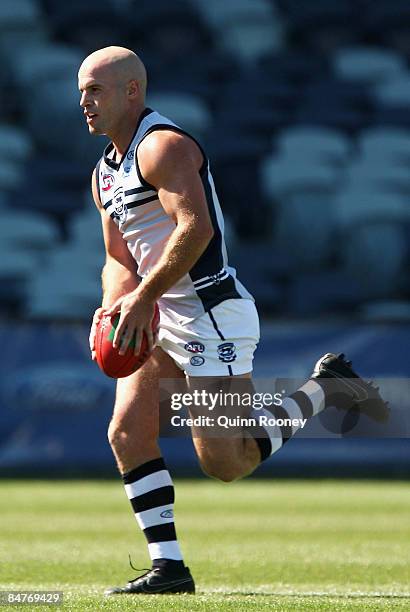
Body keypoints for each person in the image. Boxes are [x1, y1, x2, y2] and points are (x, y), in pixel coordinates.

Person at [78, 46, 388, 596]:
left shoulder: (163, 146)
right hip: (157, 312)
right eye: (81, 90)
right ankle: (169, 568)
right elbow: (117, 258)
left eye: (95, 90)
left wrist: (144, 297)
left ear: (132, 91)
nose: (84, 101)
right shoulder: (106, 170)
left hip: (209, 314)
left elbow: (194, 230)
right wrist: (113, 304)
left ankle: (325, 389)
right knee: (126, 432)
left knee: (225, 462)